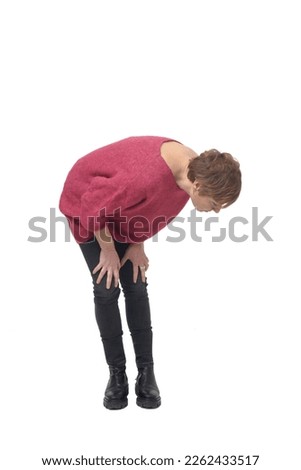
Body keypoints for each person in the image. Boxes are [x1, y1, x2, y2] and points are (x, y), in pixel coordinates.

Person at [59, 136, 241, 410]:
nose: (215, 211)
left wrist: (137, 243)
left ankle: (146, 373)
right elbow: (94, 207)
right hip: (87, 204)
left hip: (119, 209)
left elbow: (152, 207)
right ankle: (116, 374)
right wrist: (108, 250)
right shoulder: (143, 177)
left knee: (136, 282)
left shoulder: (192, 170)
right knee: (107, 287)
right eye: (216, 203)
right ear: (200, 186)